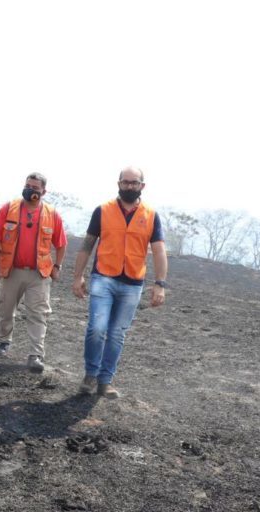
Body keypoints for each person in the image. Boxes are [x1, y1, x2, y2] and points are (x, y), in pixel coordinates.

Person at [72, 166, 168, 398]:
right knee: (97, 328)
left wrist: (160, 283)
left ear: (142, 186)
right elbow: (87, 245)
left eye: (134, 182)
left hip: (132, 284)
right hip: (103, 278)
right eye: (125, 182)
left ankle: (105, 381)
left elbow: (159, 251)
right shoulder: (102, 211)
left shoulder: (151, 215)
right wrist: (78, 276)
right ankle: (90, 374)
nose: (129, 186)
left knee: (117, 334)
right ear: (118, 184)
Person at [0, 172, 67, 373]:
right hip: (12, 270)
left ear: (43, 192)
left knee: (38, 313)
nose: (30, 190)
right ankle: (4, 341)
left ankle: (35, 355)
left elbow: (61, 243)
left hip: (39, 274)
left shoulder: (52, 214)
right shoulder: (9, 209)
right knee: (5, 308)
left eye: (35, 188)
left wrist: (57, 266)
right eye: (28, 185)